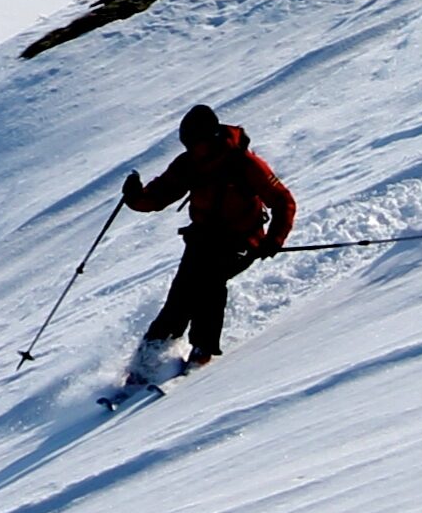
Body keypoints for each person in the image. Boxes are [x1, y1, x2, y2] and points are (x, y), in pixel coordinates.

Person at [116, 105, 296, 394]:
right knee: (180, 296)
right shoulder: (188, 164)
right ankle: (144, 364)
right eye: (188, 145)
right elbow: (158, 196)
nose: (193, 149)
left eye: (196, 144)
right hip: (203, 238)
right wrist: (135, 197)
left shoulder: (244, 164)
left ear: (211, 138)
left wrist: (274, 239)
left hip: (241, 239)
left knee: (210, 283)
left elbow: (283, 200)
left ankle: (202, 349)